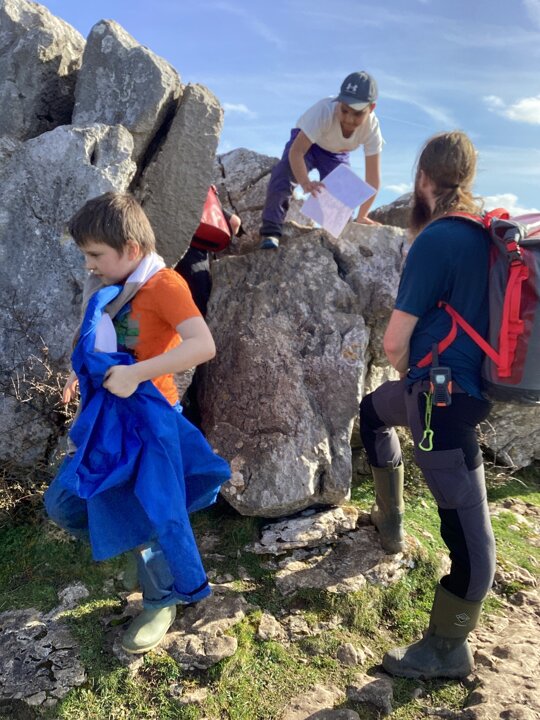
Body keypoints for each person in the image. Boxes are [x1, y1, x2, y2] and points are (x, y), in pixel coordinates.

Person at [45, 192, 230, 655]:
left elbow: (202, 345)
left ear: (130, 248)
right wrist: (80, 371)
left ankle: (161, 598)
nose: (88, 265)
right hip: (108, 420)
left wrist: (134, 374)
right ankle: (139, 549)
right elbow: (101, 338)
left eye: (95, 255)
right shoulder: (111, 285)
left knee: (151, 507)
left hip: (150, 422)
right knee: (64, 504)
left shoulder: (164, 284)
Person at [359, 131, 496, 679]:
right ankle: (389, 522)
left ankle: (447, 646)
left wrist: (407, 370)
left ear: (423, 179)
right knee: (373, 412)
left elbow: (395, 341)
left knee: (467, 532)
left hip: (441, 400)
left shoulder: (437, 238)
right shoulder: (483, 235)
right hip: (455, 390)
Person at [259, 70, 383, 249]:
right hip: (307, 145)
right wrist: (305, 182)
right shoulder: (324, 111)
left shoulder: (372, 128)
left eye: (357, 114)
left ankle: (334, 242)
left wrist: (363, 215)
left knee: (343, 197)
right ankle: (271, 230)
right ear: (338, 102)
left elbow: (373, 179)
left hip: (336, 154)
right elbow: (297, 152)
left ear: (371, 108)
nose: (349, 119)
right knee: (284, 172)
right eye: (344, 110)